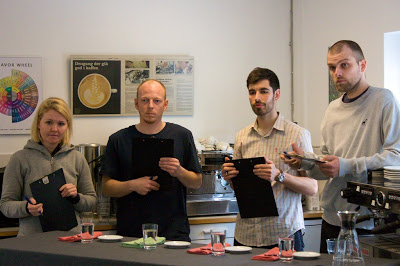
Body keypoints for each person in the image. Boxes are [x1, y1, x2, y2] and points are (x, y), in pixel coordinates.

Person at [285, 40, 400, 253]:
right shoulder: (332, 109)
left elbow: (396, 157)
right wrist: (308, 162)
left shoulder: (384, 100)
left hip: (369, 224)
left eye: (344, 65)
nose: (337, 72)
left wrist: (345, 165)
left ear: (362, 65)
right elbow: (329, 167)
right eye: (331, 67)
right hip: (331, 219)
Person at [222, 67, 318, 251]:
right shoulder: (242, 136)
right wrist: (230, 178)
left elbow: (313, 187)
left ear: (277, 94)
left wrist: (279, 175)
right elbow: (238, 187)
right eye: (252, 92)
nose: (257, 97)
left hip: (284, 235)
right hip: (246, 234)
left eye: (264, 91)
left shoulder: (298, 135)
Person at [100, 79, 201, 241]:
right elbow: (106, 187)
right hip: (131, 233)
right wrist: (132, 185)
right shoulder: (118, 139)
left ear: (165, 104)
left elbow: (196, 182)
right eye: (145, 100)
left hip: (174, 232)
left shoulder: (182, 136)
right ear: (136, 104)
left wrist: (179, 172)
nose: (150, 106)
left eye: (157, 101)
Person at [0, 97, 97, 237]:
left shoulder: (77, 158)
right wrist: (26, 208)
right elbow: (5, 205)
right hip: (32, 242)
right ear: (39, 123)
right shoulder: (19, 159)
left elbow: (91, 202)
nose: (54, 129)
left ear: (67, 126)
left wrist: (76, 197)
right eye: (49, 122)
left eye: (61, 123)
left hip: (70, 240)